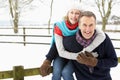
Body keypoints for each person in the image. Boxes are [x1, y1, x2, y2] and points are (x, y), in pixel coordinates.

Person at [40, 4, 105, 80]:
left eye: (77, 13)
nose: (74, 16)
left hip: (78, 56)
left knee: (66, 72)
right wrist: (48, 60)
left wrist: (86, 51)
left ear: (81, 15)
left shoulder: (84, 25)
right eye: (71, 12)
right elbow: (56, 46)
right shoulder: (60, 26)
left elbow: (101, 35)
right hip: (62, 54)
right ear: (67, 13)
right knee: (56, 71)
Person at [61, 11, 118, 80]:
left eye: (91, 25)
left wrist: (95, 62)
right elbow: (57, 49)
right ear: (79, 25)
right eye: (84, 25)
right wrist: (48, 61)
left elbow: (114, 61)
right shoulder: (71, 42)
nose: (88, 29)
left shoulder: (104, 39)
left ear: (95, 25)